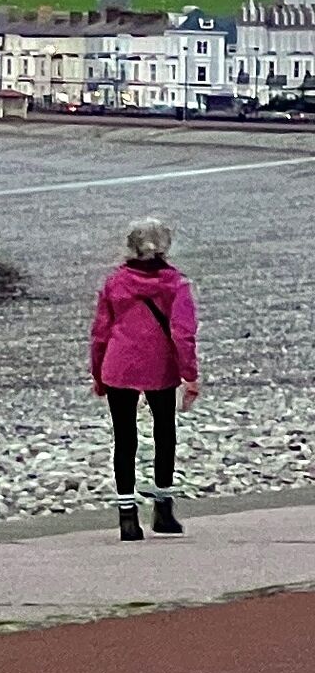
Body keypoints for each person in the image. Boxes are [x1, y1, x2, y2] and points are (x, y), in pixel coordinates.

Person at [90, 216, 201, 539]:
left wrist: (98, 373)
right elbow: (183, 333)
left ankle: (127, 517)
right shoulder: (176, 284)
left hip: (118, 364)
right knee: (164, 432)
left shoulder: (114, 282)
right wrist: (190, 375)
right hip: (161, 366)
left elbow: (100, 332)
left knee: (124, 439)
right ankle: (163, 510)